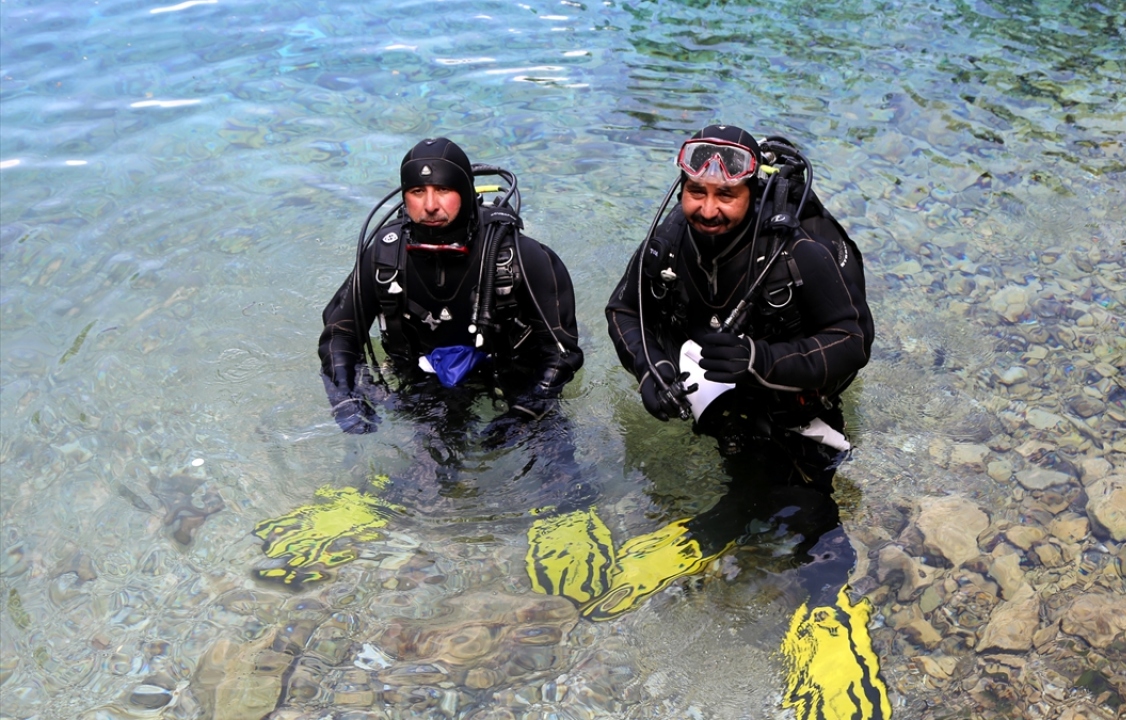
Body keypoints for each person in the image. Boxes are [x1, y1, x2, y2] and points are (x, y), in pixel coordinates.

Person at [528, 125, 888, 719]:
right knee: (744, 460)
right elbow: (626, 310)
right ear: (682, 187)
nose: (708, 209)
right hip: (717, 398)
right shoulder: (669, 241)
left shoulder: (798, 251)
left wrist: (761, 360)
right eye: (696, 192)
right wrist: (651, 372)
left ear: (750, 192)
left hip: (793, 399)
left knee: (805, 499)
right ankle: (718, 524)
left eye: (726, 197)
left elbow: (852, 341)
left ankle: (827, 613)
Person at [253, 137, 586, 587]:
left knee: (554, 450)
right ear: (403, 197)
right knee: (429, 460)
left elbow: (562, 350)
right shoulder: (384, 255)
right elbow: (339, 334)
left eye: (443, 191)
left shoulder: (521, 257)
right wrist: (343, 398)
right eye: (417, 193)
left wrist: (526, 411)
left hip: (512, 375)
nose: (430, 206)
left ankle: (568, 515)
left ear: (467, 192)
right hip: (426, 379)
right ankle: (367, 511)